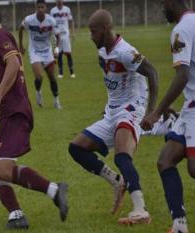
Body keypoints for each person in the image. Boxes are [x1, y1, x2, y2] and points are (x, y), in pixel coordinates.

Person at [0, 3, 68, 230]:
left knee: (2, 168)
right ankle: (17, 214)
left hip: (16, 113)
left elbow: (14, 63)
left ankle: (55, 190)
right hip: (7, 114)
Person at [68, 9, 158, 225]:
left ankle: (140, 210)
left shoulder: (126, 52)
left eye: (93, 32)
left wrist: (152, 112)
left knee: (121, 156)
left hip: (131, 109)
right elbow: (114, 83)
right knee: (76, 147)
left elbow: (153, 73)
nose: (91, 37)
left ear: (106, 29)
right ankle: (117, 182)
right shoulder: (103, 53)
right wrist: (108, 108)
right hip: (112, 112)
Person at [141, 1, 195, 232]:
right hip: (189, 108)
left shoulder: (181, 29)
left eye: (162, 3)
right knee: (166, 161)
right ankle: (179, 225)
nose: (161, 8)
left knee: (193, 169)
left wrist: (156, 111)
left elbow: (182, 75)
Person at [19, 0, 62, 109]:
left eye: (42, 7)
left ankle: (56, 101)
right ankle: (38, 93)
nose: (40, 10)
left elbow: (58, 36)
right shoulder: (29, 20)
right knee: (39, 77)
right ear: (36, 8)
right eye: (38, 7)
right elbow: (21, 29)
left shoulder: (51, 21)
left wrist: (56, 48)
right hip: (34, 51)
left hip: (47, 51)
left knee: (52, 77)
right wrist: (21, 45)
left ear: (45, 8)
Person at [50, 0, 76, 79]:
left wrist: (73, 33)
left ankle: (72, 72)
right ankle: (61, 73)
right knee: (59, 54)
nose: (59, 1)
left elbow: (71, 21)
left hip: (65, 34)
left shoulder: (67, 9)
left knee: (68, 53)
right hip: (57, 35)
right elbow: (51, 23)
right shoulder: (52, 11)